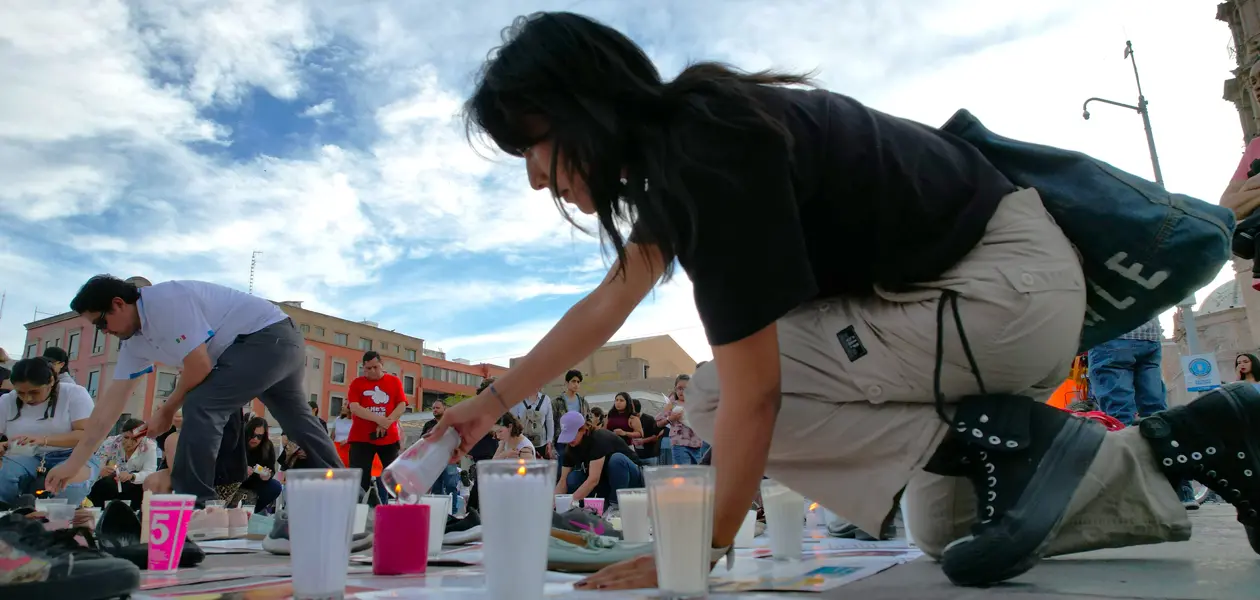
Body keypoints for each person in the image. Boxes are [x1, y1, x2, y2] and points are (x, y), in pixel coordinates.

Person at [430, 11, 1260, 589]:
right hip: (971, 312)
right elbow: (607, 305)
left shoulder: (706, 148)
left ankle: (1019, 441)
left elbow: (756, 392)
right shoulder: (685, 155)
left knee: (714, 391)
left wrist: (703, 551)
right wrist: (489, 402)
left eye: (534, 145)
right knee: (949, 531)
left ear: (582, 105)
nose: (537, 176)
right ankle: (1199, 441)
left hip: (997, 293)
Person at [44, 276, 340, 506]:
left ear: (119, 303)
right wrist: (74, 462)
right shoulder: (135, 343)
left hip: (264, 337)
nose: (103, 332)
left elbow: (199, 366)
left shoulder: (164, 301)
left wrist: (167, 408)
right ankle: (348, 495)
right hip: (281, 341)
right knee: (298, 422)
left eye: (101, 323)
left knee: (201, 403)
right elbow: (107, 410)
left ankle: (195, 504)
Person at [0, 358, 98, 506]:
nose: (28, 398)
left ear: (51, 381)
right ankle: (12, 516)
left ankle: (57, 523)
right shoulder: (7, 400)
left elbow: (87, 435)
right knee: (4, 477)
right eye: (20, 393)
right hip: (24, 455)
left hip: (73, 454)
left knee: (69, 487)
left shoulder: (74, 393)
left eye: (34, 392)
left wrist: (43, 440)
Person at [346, 351, 406, 503]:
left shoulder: (394, 381)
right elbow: (355, 407)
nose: (372, 371)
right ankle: (358, 512)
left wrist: (388, 421)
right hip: (361, 439)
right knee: (360, 478)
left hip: (388, 438)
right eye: (367, 369)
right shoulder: (357, 383)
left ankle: (400, 508)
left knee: (394, 476)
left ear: (382, 365)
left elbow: (401, 404)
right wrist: (379, 420)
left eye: (375, 367)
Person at [554, 412, 643, 508]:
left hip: (631, 477)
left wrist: (569, 503)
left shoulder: (598, 438)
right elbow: (562, 480)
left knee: (617, 460)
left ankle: (615, 505)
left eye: (572, 435)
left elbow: (593, 479)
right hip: (607, 480)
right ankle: (587, 505)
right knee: (573, 477)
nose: (569, 440)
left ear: (584, 429)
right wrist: (552, 503)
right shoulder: (571, 447)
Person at [88, 417, 157, 507]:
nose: (129, 442)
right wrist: (101, 470)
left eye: (134, 439)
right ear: (121, 434)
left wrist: (132, 476)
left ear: (142, 437)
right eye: (126, 437)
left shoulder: (149, 447)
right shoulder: (110, 443)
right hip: (109, 486)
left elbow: (150, 472)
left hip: (135, 487)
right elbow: (95, 464)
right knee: (105, 484)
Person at [656, 373, 706, 465]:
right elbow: (658, 423)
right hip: (680, 444)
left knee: (696, 474)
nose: (682, 391)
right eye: (679, 388)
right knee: (684, 474)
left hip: (696, 445)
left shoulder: (696, 405)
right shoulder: (672, 404)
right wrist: (670, 418)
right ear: (675, 389)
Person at [240, 416, 282, 513]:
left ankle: (252, 511)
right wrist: (241, 469)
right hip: (237, 481)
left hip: (256, 482)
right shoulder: (239, 443)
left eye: (259, 436)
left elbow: (271, 469)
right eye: (252, 435)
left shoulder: (267, 446)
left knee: (275, 486)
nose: (255, 439)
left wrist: (267, 476)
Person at [551, 369, 589, 469]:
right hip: (562, 441)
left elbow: (587, 420)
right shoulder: (557, 402)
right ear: (567, 383)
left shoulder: (583, 402)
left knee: (577, 468)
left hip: (578, 440)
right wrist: (551, 444)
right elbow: (551, 423)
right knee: (561, 469)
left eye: (578, 382)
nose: (576, 384)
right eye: (573, 381)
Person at [629, 398, 662, 465]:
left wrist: (643, 441)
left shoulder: (649, 419)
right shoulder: (630, 420)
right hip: (636, 456)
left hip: (650, 456)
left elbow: (656, 437)